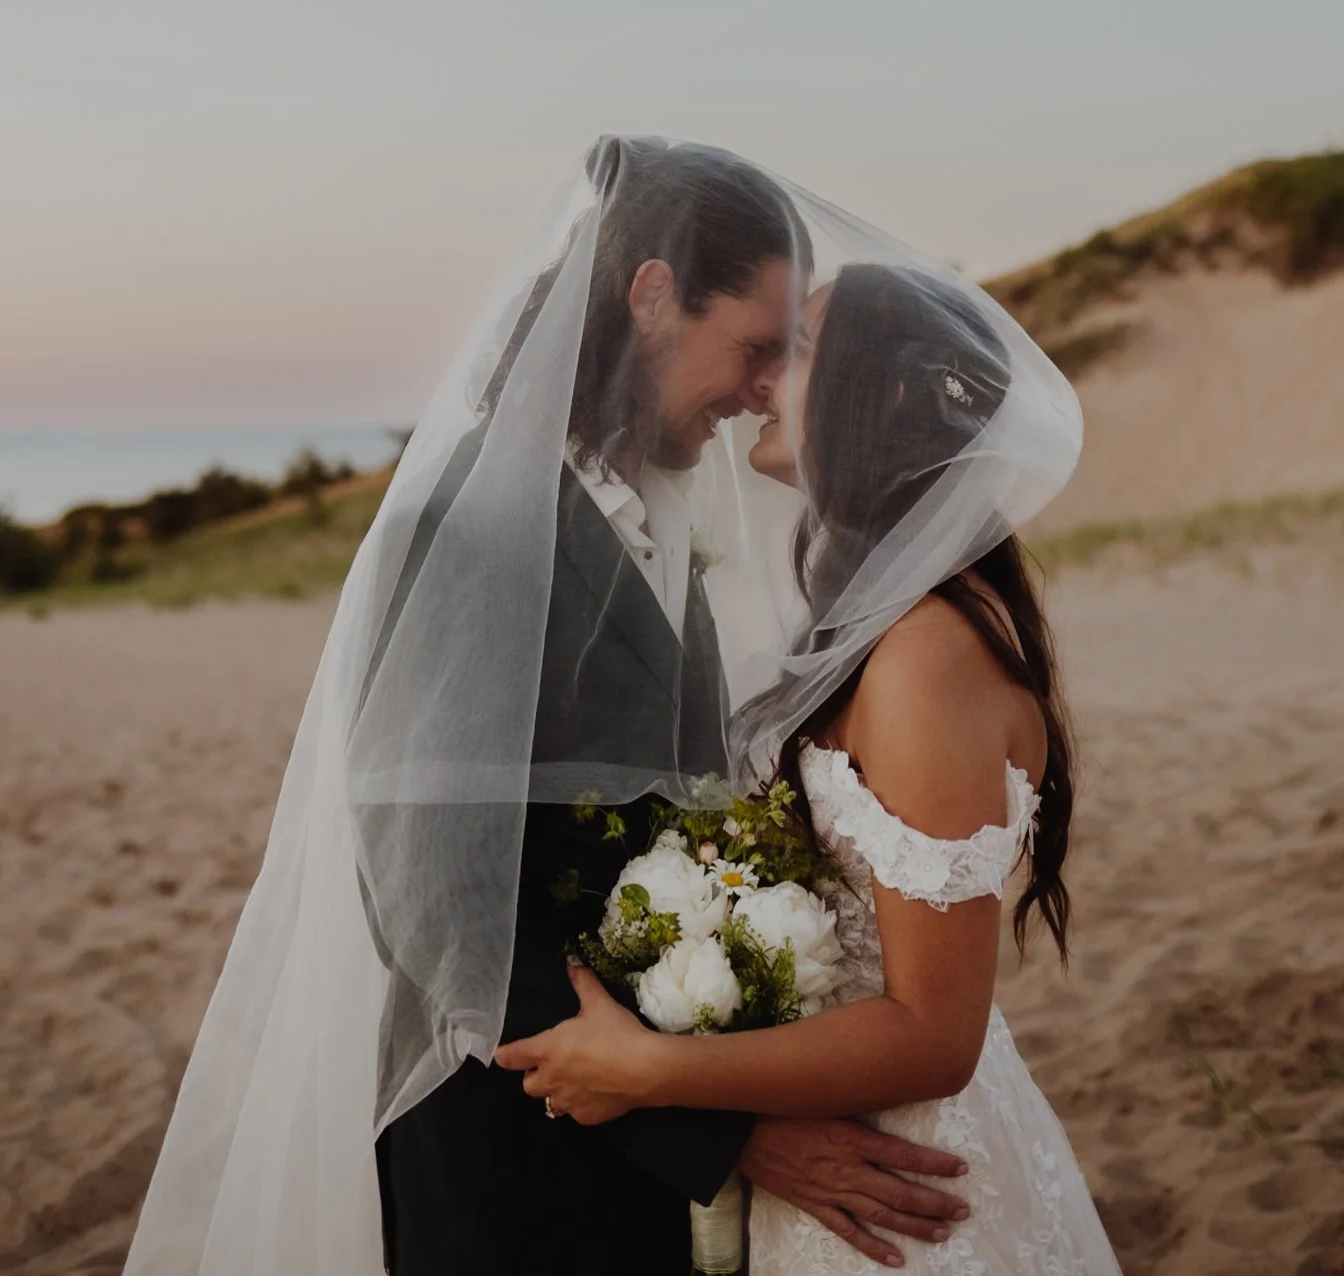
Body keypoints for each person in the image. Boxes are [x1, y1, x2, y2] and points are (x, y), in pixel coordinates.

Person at [124, 142, 1011, 1276]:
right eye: (751, 346)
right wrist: (725, 1131)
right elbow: (433, 904)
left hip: (636, 1139)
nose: (759, 388)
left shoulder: (659, 518)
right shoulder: (474, 531)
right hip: (511, 1153)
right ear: (650, 297)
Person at [497, 263, 1121, 1275]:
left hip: (899, 1184)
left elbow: (935, 1032)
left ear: (893, 394)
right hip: (846, 1153)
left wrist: (656, 1068)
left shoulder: (924, 654)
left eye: (798, 349)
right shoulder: (887, 621)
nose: (759, 381)